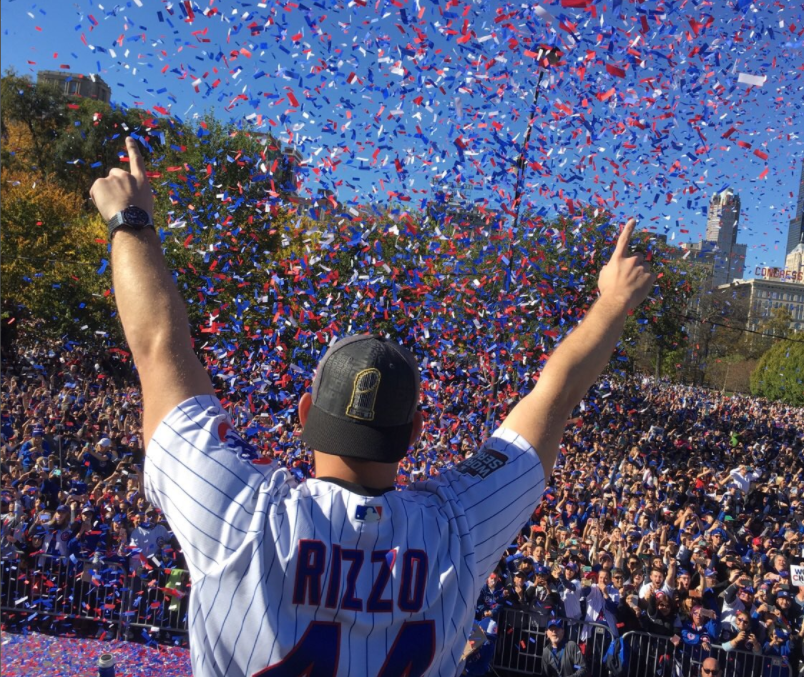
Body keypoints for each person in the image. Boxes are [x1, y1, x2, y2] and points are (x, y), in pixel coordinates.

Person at [89, 137, 655, 676]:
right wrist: (611, 304)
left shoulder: (241, 515)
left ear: (306, 413)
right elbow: (551, 401)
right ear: (415, 431)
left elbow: (161, 347)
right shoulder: (456, 526)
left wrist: (131, 220)